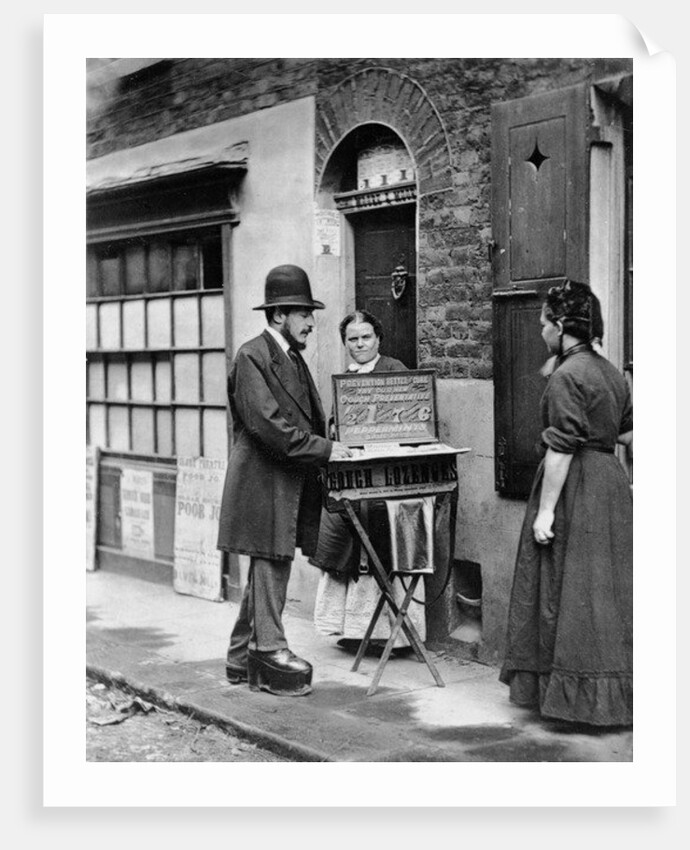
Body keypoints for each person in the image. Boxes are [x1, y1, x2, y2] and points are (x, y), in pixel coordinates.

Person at [499, 280, 633, 727]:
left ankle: (576, 700)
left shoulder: (566, 375)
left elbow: (561, 449)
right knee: (605, 590)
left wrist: (545, 511)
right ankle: (615, 696)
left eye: (544, 324)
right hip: (611, 485)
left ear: (560, 326)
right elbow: (631, 435)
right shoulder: (612, 372)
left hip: (575, 485)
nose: (541, 332)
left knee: (566, 586)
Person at [216, 264, 351, 697]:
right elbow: (270, 427)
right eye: (304, 314)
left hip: (284, 480)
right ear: (279, 316)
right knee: (270, 562)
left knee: (268, 563)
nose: (312, 322)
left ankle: (240, 658)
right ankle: (268, 649)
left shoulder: (289, 357)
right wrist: (329, 450)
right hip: (263, 480)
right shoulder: (252, 355)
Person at [310, 309, 426, 652]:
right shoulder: (344, 379)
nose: (360, 344)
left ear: (378, 339)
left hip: (391, 477)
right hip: (355, 476)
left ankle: (396, 635)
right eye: (353, 339)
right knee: (348, 541)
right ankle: (355, 631)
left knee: (388, 545)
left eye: (366, 337)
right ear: (345, 344)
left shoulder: (395, 371)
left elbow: (416, 417)